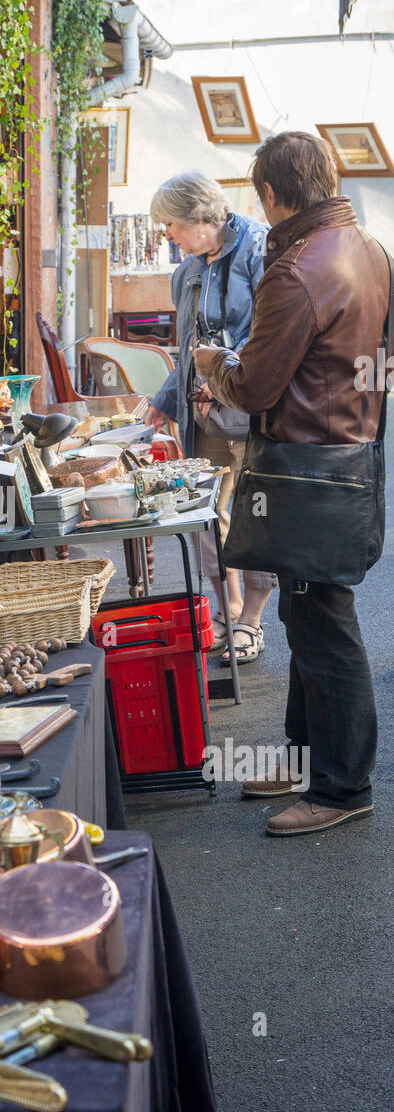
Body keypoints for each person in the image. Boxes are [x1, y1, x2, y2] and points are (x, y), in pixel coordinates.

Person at [195, 131, 388, 837]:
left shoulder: (299, 265)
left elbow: (254, 386)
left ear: (273, 194)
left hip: (308, 468)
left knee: (323, 624)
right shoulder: (366, 248)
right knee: (308, 616)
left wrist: (214, 360)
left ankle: (342, 788)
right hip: (349, 457)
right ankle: (312, 764)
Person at [149, 170, 276, 664]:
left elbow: (267, 331)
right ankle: (225, 610)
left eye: (171, 225)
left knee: (255, 512)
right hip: (203, 416)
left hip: (245, 410)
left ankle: (252, 621)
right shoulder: (187, 270)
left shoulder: (257, 250)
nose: (168, 236)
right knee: (207, 516)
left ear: (202, 218)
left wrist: (224, 374)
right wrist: (165, 397)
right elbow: (185, 350)